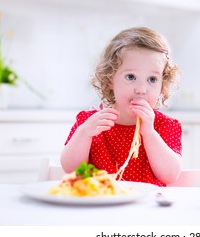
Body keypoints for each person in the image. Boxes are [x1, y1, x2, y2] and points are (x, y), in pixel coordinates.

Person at [61, 27, 182, 186]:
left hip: (147, 208)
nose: (141, 89)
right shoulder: (90, 122)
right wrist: (84, 133)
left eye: (152, 79)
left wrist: (149, 133)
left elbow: (170, 175)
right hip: (100, 205)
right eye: (131, 77)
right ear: (110, 78)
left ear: (163, 83)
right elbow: (71, 170)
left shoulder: (164, 126)